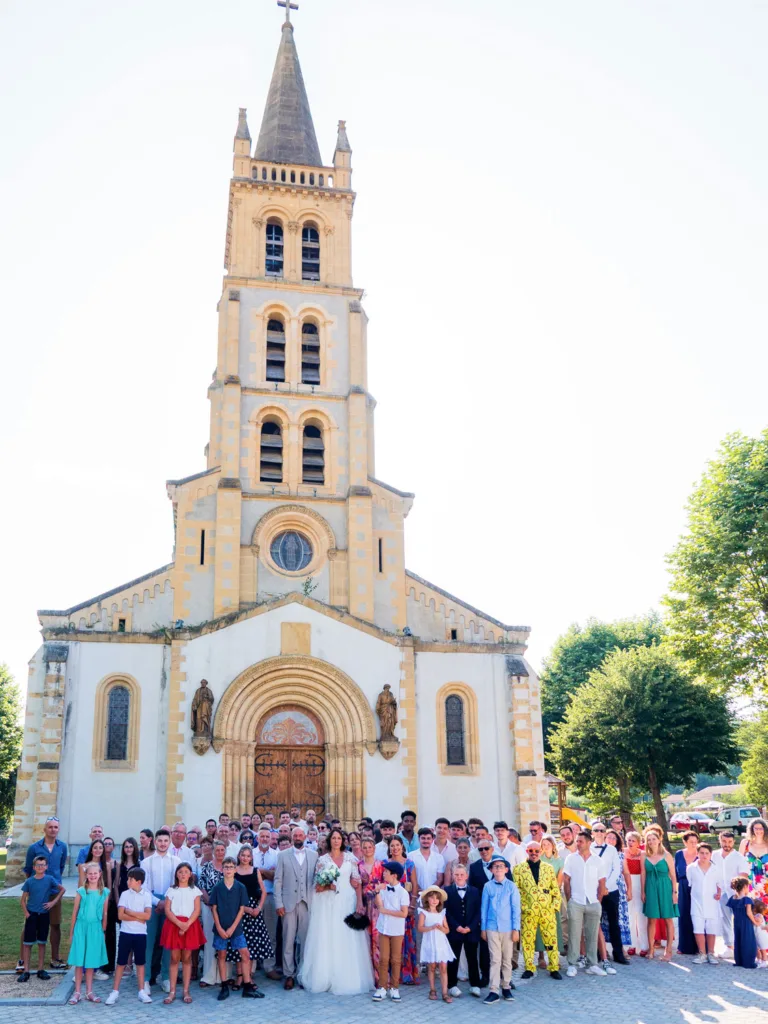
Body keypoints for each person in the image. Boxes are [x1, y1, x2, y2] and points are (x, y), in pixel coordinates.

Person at [299, 826, 372, 995]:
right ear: (329, 841)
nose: (336, 841)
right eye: (334, 838)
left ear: (342, 841)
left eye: (339, 838)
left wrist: (359, 902)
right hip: (328, 902)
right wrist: (328, 885)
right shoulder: (323, 860)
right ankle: (326, 976)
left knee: (347, 936)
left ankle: (348, 976)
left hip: (347, 900)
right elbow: (317, 886)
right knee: (329, 935)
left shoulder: (350, 858)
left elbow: (357, 881)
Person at [20, 816, 68, 972]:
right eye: (50, 827)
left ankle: (55, 959)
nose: (53, 830)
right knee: (29, 926)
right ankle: (22, 961)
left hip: (54, 893)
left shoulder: (62, 847)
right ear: (44, 829)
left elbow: (60, 868)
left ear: (58, 829)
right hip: (36, 894)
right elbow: (28, 870)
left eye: (56, 827)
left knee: (55, 924)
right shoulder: (34, 848)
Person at [273, 826, 318, 989]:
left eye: (300, 834)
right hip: (288, 903)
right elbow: (278, 880)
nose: (298, 837)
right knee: (288, 940)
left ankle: (303, 973)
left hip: (307, 903)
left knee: (306, 941)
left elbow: (316, 879)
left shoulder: (314, 855)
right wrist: (278, 903)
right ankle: (289, 974)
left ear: (305, 836)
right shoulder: (283, 855)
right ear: (291, 837)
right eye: (295, 835)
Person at [210, 858, 259, 1000]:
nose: (228, 869)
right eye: (226, 867)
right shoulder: (218, 887)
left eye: (231, 867)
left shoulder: (240, 887)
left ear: (235, 869)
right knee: (222, 955)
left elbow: (242, 909)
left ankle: (247, 985)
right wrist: (219, 927)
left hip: (236, 928)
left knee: (245, 954)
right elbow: (214, 908)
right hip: (221, 928)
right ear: (222, 869)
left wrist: (233, 927)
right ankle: (224, 985)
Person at [513, 841, 562, 980]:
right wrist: (523, 908)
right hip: (528, 912)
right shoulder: (518, 869)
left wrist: (554, 907)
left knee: (551, 940)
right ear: (526, 851)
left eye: (536, 851)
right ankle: (529, 967)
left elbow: (555, 889)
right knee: (527, 941)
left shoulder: (548, 868)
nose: (534, 854)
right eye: (530, 851)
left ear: (541, 851)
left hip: (547, 911)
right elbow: (517, 891)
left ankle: (553, 967)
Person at [225, 845, 270, 995]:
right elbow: (230, 892)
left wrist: (258, 907)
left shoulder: (255, 871)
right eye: (242, 855)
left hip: (253, 912)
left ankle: (248, 977)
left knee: (251, 946)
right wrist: (245, 909)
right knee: (238, 945)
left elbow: (263, 891)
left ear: (251, 858)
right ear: (238, 856)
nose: (245, 858)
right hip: (238, 910)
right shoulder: (234, 871)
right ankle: (239, 977)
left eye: (248, 855)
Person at [105, 866, 153, 1005]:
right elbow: (121, 915)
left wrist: (130, 912)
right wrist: (138, 917)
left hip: (140, 934)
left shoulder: (147, 895)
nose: (128, 881)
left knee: (140, 963)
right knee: (121, 962)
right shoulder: (125, 894)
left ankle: (141, 991)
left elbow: (148, 915)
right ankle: (115, 991)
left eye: (130, 879)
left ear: (138, 881)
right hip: (126, 933)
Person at [563, 829, 608, 977]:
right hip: (576, 900)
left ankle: (592, 964)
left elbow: (602, 883)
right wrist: (570, 899)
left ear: (589, 843)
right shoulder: (571, 858)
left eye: (581, 841)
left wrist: (598, 901)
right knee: (574, 933)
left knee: (592, 933)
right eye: (577, 841)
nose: (578, 843)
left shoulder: (597, 860)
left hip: (593, 902)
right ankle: (572, 964)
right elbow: (566, 880)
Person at [160, 862, 205, 1004]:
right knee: (174, 958)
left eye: (186, 871)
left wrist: (187, 924)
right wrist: (179, 924)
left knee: (187, 958)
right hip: (174, 925)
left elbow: (197, 910)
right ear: (176, 874)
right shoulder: (171, 890)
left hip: (190, 925)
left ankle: (186, 990)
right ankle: (172, 991)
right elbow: (167, 910)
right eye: (180, 872)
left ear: (190, 874)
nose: (183, 874)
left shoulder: (195, 891)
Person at [141, 827, 180, 992]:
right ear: (154, 842)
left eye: (166, 841)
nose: (163, 844)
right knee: (148, 943)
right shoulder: (146, 862)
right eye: (160, 841)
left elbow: (178, 884)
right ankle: (145, 979)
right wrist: (159, 903)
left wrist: (167, 902)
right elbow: (144, 888)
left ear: (169, 842)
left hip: (170, 904)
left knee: (167, 943)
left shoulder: (176, 862)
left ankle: (165, 977)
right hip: (152, 904)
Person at [480, 855, 521, 1004]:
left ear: (506, 869)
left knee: (507, 959)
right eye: (495, 866)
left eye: (500, 866)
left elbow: (516, 909)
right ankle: (494, 990)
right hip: (491, 927)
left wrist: (516, 929)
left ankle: (506, 986)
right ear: (491, 870)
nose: (498, 868)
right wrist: (483, 928)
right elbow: (484, 908)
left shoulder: (511, 886)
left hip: (508, 927)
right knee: (495, 959)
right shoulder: (487, 886)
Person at [18, 855, 64, 983]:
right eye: (38, 865)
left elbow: (62, 890)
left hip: (44, 915)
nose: (40, 867)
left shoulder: (49, 879)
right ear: (34, 867)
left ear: (46, 866)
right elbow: (22, 900)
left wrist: (52, 903)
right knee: (27, 944)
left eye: (43, 865)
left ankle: (40, 969)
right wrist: (27, 913)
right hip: (32, 915)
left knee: (42, 942)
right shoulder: (29, 881)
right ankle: (26, 971)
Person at [68, 863, 109, 1004]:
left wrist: (103, 930)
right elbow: (75, 912)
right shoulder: (81, 891)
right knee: (79, 961)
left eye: (95, 873)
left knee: (91, 961)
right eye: (90, 874)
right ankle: (77, 992)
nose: (92, 876)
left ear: (99, 875)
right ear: (86, 875)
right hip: (81, 927)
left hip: (95, 929)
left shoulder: (104, 892)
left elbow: (105, 912)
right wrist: (71, 932)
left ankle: (89, 991)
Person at [591, 822, 629, 967]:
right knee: (595, 923)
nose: (599, 832)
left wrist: (606, 886)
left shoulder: (612, 850)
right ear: (592, 833)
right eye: (596, 830)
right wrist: (598, 887)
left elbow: (616, 869)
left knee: (614, 923)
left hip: (611, 890)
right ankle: (597, 953)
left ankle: (618, 953)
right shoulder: (589, 848)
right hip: (594, 891)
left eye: (602, 830)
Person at [372, 859, 410, 1001]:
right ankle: (382, 987)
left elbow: (404, 913)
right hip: (383, 928)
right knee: (383, 958)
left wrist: (386, 911)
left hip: (396, 930)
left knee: (395, 959)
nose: (384, 874)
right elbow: (379, 905)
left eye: (386, 872)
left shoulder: (403, 893)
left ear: (394, 875)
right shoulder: (383, 889)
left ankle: (394, 987)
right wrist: (377, 891)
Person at [386, 834, 421, 985]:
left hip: (406, 907)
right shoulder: (385, 864)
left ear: (402, 847)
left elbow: (414, 885)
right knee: (391, 939)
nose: (395, 848)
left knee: (407, 939)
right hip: (391, 907)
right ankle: (392, 974)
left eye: (397, 845)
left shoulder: (409, 864)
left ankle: (407, 974)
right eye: (392, 846)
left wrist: (412, 905)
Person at [445, 862, 482, 997]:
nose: (459, 877)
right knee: (453, 958)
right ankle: (452, 985)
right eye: (456, 874)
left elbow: (478, 911)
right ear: (453, 876)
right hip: (455, 931)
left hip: (471, 931)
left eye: (462, 874)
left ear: (466, 876)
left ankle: (475, 984)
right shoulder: (447, 891)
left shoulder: (474, 891)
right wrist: (457, 927)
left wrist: (470, 927)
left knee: (472, 957)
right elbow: (447, 912)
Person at [641, 830, 678, 961]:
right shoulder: (644, 855)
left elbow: (673, 875)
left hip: (665, 887)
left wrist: (674, 892)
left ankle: (668, 951)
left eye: (653, 839)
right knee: (651, 919)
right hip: (650, 888)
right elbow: (643, 874)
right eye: (648, 839)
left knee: (668, 919)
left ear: (659, 840)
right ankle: (651, 949)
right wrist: (643, 891)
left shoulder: (666, 855)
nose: (651, 842)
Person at [712, 831, 750, 954]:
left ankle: (743, 946)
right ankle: (729, 947)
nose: (726, 844)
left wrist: (740, 895)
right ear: (720, 840)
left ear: (733, 842)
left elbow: (743, 876)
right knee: (725, 920)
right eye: (724, 841)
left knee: (740, 920)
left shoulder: (739, 857)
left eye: (729, 842)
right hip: (721, 893)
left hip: (735, 894)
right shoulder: (714, 855)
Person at [686, 843, 722, 965]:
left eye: (707, 853)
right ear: (697, 853)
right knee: (698, 928)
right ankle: (702, 953)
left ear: (711, 854)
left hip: (712, 902)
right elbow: (690, 884)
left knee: (711, 928)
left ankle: (711, 953)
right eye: (702, 853)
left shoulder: (716, 869)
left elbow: (719, 885)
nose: (704, 855)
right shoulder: (691, 868)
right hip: (697, 903)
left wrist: (719, 894)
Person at [419, 884, 455, 1002]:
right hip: (430, 941)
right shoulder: (424, 913)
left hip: (441, 942)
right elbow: (420, 928)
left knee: (443, 967)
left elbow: (447, 930)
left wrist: (440, 929)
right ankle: (432, 989)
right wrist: (431, 927)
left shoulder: (441, 913)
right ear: (427, 899)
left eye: (437, 898)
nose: (434, 900)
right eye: (432, 897)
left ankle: (445, 992)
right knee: (432, 966)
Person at [253, 826, 280, 980]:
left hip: (270, 897)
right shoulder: (250, 854)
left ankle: (269, 966)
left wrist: (261, 872)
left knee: (271, 933)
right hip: (254, 898)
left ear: (271, 839)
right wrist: (265, 872)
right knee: (253, 932)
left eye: (267, 837)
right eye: (261, 836)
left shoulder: (277, 856)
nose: (264, 839)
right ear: (257, 838)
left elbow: (277, 876)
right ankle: (252, 966)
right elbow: (250, 874)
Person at [199, 839, 227, 987]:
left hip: (227, 909)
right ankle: (209, 976)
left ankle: (224, 976)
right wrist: (210, 901)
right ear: (213, 851)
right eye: (217, 850)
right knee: (209, 939)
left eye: (222, 850)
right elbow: (202, 886)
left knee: (224, 940)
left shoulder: (229, 867)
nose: (220, 853)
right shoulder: (207, 867)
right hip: (209, 907)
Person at [358, 835, 384, 984]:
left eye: (370, 847)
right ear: (361, 849)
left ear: (374, 849)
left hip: (378, 905)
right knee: (366, 939)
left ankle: (380, 976)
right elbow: (357, 886)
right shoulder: (358, 866)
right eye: (365, 847)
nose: (367, 850)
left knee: (378, 939)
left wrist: (377, 889)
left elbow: (385, 884)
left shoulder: (381, 865)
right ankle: (368, 975)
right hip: (365, 904)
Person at [539, 835, 566, 960]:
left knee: (554, 926)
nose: (545, 847)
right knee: (541, 927)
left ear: (553, 846)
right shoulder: (538, 859)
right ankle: (541, 957)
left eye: (547, 844)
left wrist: (552, 893)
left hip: (553, 895)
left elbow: (559, 881)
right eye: (543, 845)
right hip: (540, 896)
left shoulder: (559, 861)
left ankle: (553, 957)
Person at [675, 830, 700, 956]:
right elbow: (674, 873)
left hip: (698, 887)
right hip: (683, 887)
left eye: (695, 842)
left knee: (697, 915)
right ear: (685, 842)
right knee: (684, 915)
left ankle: (698, 947)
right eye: (691, 842)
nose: (694, 844)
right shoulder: (679, 854)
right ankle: (683, 946)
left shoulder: (701, 854)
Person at [625, 831, 647, 956]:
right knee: (629, 915)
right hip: (627, 883)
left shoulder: (642, 854)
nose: (631, 843)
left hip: (639, 882)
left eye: (633, 840)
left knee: (641, 914)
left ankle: (644, 945)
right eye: (629, 840)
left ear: (638, 842)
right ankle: (631, 944)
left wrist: (643, 890)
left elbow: (643, 871)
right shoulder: (623, 852)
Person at [728, 876, 757, 969]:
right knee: (748, 941)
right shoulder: (746, 899)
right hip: (746, 922)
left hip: (736, 921)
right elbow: (749, 913)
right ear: (744, 887)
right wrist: (755, 922)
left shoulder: (733, 898)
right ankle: (748, 962)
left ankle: (739, 961)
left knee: (738, 940)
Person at [740, 818, 768, 889]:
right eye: (756, 828)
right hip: (748, 883)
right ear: (752, 829)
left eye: (761, 828)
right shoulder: (745, 843)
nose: (758, 830)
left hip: (766, 885)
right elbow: (738, 863)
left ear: (765, 829)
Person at [752, 898, 768, 966]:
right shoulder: (756, 915)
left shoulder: (759, 916)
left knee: (762, 949)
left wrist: (751, 916)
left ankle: (764, 961)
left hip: (761, 936)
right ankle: (759, 959)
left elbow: (758, 920)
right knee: (757, 949)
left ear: (755, 909)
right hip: (757, 935)